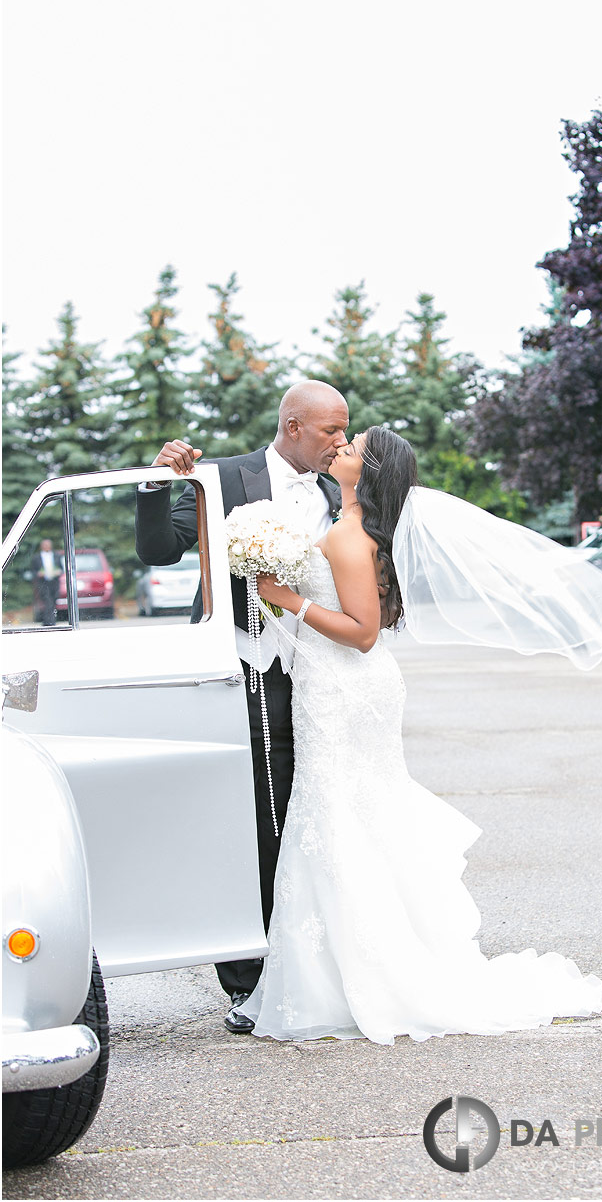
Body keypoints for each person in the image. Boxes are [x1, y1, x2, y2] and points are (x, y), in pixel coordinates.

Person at [235, 426, 602, 1045]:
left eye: (353, 447)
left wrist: (286, 600)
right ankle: (347, 969)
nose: (340, 449)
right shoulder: (353, 524)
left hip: (344, 687)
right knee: (353, 815)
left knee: (337, 815)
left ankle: (361, 976)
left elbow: (363, 630)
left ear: (367, 473)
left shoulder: (346, 534)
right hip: (341, 686)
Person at [134, 381, 348, 1032]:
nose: (339, 441)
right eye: (329, 430)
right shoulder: (224, 478)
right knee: (253, 821)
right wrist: (154, 485)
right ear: (292, 424)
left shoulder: (337, 492)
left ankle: (314, 959)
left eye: (345, 430)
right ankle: (247, 980)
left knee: (312, 816)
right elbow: (158, 551)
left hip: (318, 675)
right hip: (244, 671)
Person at [32, 539, 60, 626]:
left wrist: (58, 572)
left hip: (54, 582)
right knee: (47, 601)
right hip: (43, 582)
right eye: (45, 545)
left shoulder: (56, 555)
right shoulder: (36, 557)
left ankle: (50, 620)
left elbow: (61, 568)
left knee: (53, 600)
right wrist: (38, 574)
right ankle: (49, 621)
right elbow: (33, 571)